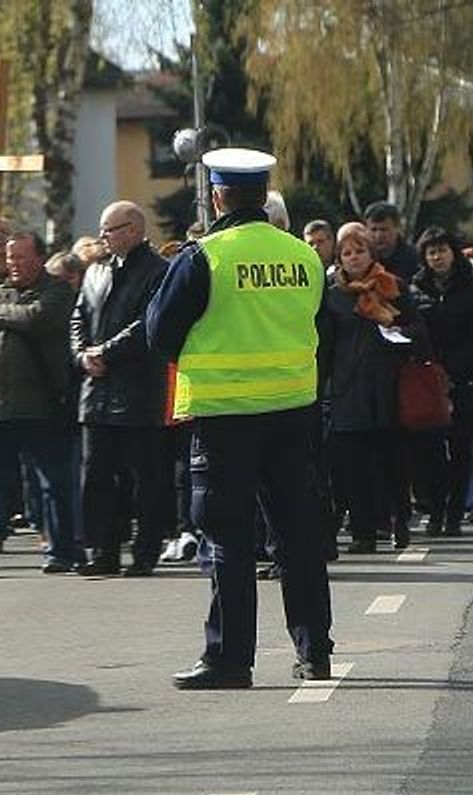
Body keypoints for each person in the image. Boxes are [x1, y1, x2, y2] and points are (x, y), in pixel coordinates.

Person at [147, 147, 334, 687]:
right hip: (293, 412)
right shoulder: (303, 257)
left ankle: (230, 659)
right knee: (297, 536)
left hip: (224, 414)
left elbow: (161, 334)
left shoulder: (204, 256)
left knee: (227, 538)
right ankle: (314, 652)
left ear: (217, 196)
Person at [0, 231, 84, 576]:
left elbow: (37, 318)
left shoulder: (55, 291)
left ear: (39, 258)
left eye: (21, 257)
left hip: (44, 406)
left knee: (53, 481)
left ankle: (62, 550)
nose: (13, 263)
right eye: (10, 257)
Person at [71, 201, 169, 577]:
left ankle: (146, 550)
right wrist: (82, 355)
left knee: (144, 478)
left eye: (109, 230)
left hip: (138, 392)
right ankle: (104, 550)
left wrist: (106, 353)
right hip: (96, 393)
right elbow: (78, 316)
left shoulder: (157, 271)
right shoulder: (96, 271)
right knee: (97, 475)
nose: (103, 238)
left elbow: (148, 324)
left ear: (132, 229)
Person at [320, 222, 428, 554]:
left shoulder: (391, 285)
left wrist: (393, 326)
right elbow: (324, 344)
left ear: (372, 253)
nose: (353, 258)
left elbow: (419, 331)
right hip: (347, 390)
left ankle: (398, 518)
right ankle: (363, 533)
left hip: (388, 386)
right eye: (347, 253)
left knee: (391, 462)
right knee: (353, 467)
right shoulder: (333, 295)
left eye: (359, 251)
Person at [410, 227, 473, 536]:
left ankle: (455, 513)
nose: (437, 256)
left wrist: (455, 374)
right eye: (431, 251)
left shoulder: (472, 290)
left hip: (464, 382)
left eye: (442, 250)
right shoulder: (416, 290)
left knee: (460, 450)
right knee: (428, 452)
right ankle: (434, 510)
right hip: (427, 382)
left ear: (453, 253)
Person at [364, 201, 419, 283]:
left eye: (384, 229)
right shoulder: (361, 257)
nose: (378, 235)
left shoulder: (414, 258)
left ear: (397, 228)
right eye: (373, 229)